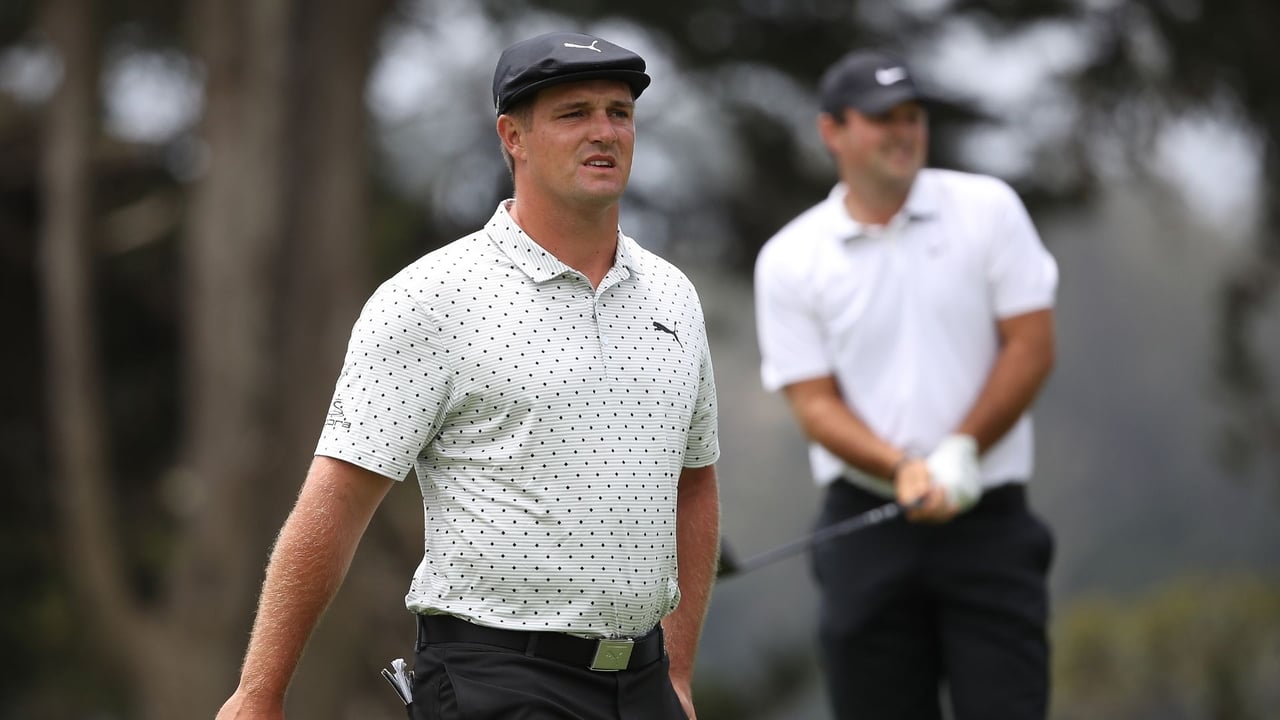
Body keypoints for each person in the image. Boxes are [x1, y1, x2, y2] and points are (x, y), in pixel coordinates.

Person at [216, 31, 720, 720]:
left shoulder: (673, 298)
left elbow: (693, 484)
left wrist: (679, 674)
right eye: (574, 113)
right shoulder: (433, 299)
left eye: (619, 112)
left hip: (642, 683)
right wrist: (259, 693)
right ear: (512, 136)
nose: (604, 131)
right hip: (500, 682)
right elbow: (334, 505)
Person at [752, 47, 1058, 720]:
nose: (904, 130)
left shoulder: (987, 209)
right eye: (883, 117)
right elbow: (814, 402)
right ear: (832, 131)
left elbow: (1031, 347)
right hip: (866, 529)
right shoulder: (791, 258)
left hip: (990, 527)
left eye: (913, 114)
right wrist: (901, 468)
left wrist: (962, 447)